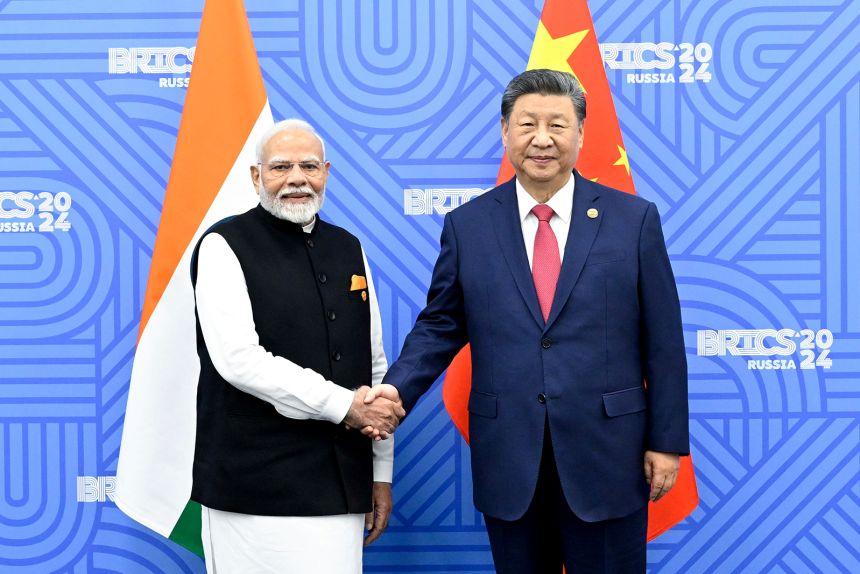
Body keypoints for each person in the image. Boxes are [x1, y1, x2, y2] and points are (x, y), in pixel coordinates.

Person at [366, 69, 689, 572]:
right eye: (527, 124)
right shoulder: (468, 225)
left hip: (608, 454)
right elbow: (441, 324)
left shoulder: (634, 219)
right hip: (510, 457)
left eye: (558, 125)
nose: (542, 139)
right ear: (505, 132)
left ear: (581, 132)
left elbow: (663, 342)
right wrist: (396, 390)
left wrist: (665, 444)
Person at [190, 118, 404, 573]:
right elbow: (239, 361)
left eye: (309, 166)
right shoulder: (223, 246)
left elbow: (374, 366)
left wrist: (379, 473)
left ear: (325, 172)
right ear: (256, 177)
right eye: (280, 167)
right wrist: (344, 405)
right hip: (251, 486)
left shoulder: (349, 247)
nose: (296, 178)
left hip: (341, 482)